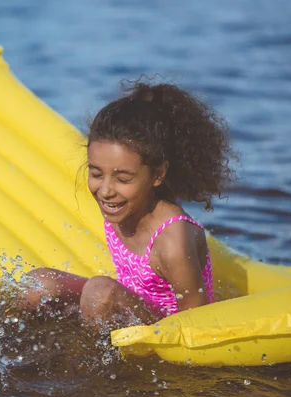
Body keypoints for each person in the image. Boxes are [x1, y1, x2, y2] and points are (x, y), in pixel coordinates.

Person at [22, 80, 237, 326]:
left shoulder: (172, 240)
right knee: (38, 283)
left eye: (123, 179)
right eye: (96, 174)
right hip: (128, 308)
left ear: (157, 175)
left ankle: (85, 360)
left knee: (100, 292)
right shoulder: (124, 207)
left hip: (164, 326)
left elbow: (198, 322)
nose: (105, 191)